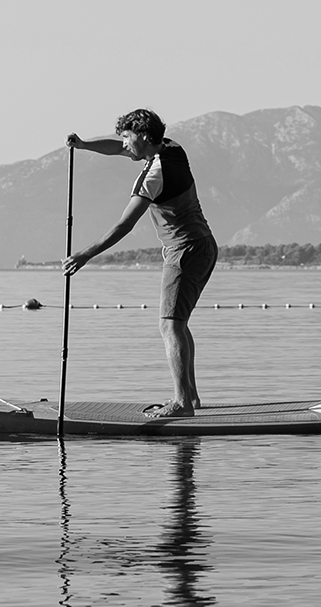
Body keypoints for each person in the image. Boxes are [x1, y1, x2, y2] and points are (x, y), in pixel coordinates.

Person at [63, 109, 218, 418]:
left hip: (185, 250)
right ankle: (192, 398)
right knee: (178, 324)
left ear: (145, 138)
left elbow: (124, 226)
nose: (124, 143)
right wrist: (83, 145)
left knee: (169, 326)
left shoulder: (155, 174)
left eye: (128, 137)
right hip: (202, 246)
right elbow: (119, 149)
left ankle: (181, 404)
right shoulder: (172, 147)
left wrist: (84, 255)